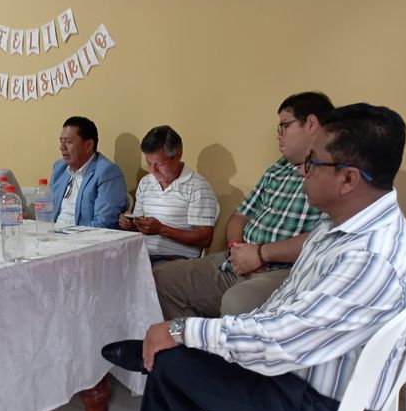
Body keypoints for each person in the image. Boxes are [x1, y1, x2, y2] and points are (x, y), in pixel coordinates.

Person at [103, 103, 406, 411]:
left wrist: (179, 329)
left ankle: (160, 358)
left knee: (172, 363)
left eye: (313, 162)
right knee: (177, 363)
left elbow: (283, 340)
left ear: (348, 179)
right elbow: (288, 309)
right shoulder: (343, 224)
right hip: (300, 375)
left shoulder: (369, 257)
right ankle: (165, 360)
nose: (302, 172)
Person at [153, 92, 333, 319]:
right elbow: (239, 216)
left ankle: (214, 338)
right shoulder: (277, 169)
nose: (279, 135)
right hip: (238, 259)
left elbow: (323, 238)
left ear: (311, 123)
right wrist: (237, 248)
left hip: (285, 269)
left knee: (237, 301)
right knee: (160, 279)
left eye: (284, 126)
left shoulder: (332, 174)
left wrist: (260, 254)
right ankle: (190, 339)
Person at [119, 125, 217, 264]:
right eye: (149, 163)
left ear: (177, 156)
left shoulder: (198, 186)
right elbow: (140, 226)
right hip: (142, 254)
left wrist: (162, 229)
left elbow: (205, 239)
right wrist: (130, 224)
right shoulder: (146, 182)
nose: (153, 170)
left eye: (159, 164)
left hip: (176, 259)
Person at [51, 116, 127, 228]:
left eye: (69, 142)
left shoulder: (107, 172)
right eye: (61, 141)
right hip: (55, 232)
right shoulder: (59, 168)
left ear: (88, 145)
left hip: (85, 236)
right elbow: (47, 210)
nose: (62, 147)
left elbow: (104, 223)